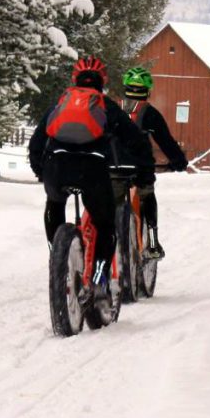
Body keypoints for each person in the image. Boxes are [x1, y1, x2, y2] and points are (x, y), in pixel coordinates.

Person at [29, 56, 154, 300]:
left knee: (54, 204)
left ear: (74, 79)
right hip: (92, 170)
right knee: (106, 226)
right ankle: (98, 279)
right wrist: (144, 173)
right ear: (102, 81)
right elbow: (136, 140)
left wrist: (40, 171)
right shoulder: (105, 105)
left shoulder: (61, 102)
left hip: (57, 166)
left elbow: (37, 141)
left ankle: (58, 257)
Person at [121, 66, 189, 260]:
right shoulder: (149, 113)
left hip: (111, 167)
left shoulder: (112, 108)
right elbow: (166, 142)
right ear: (148, 91)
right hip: (140, 168)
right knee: (147, 195)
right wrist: (178, 162)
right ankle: (152, 242)